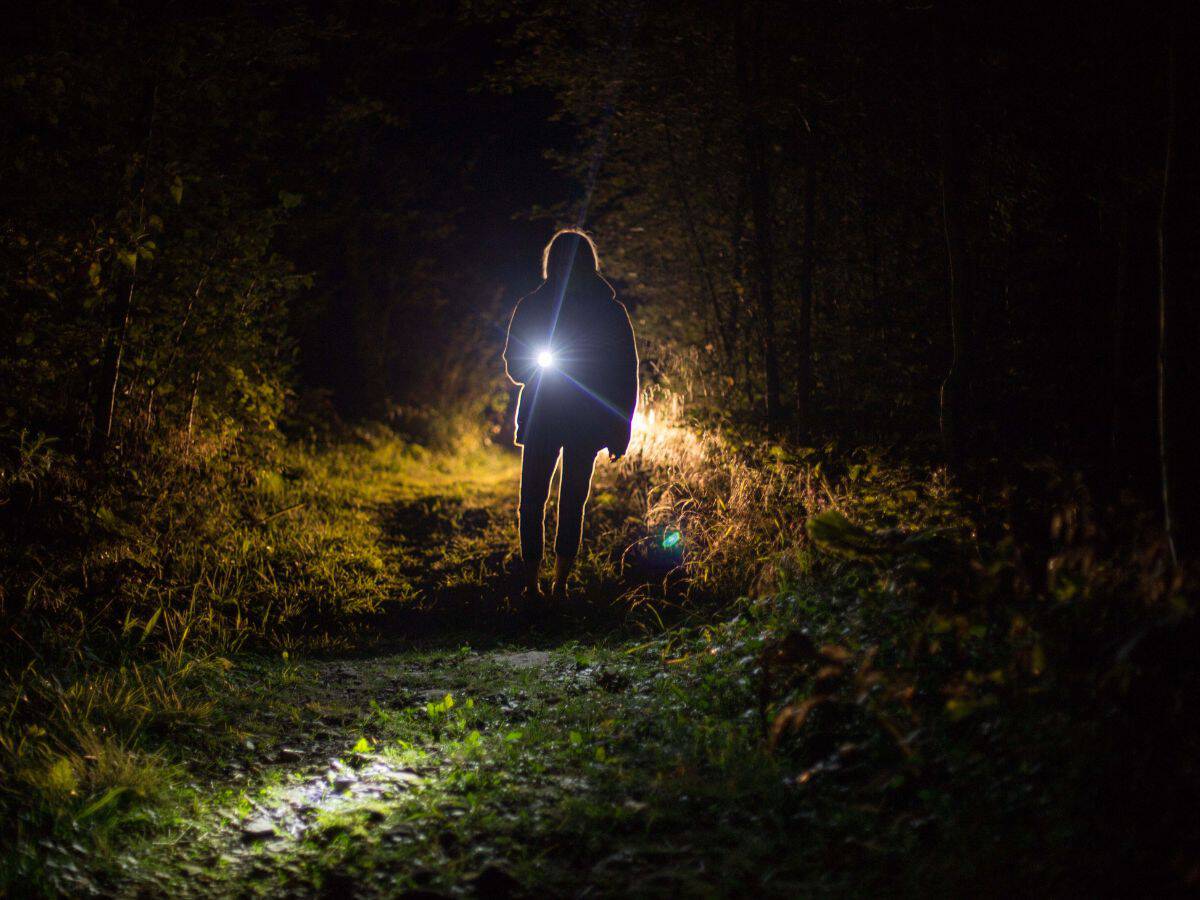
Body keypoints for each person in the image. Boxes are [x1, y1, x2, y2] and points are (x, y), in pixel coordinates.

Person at [503, 228, 639, 601]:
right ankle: (542, 586)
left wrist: (620, 429)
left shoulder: (539, 305)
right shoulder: (606, 310)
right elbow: (516, 364)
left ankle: (551, 586)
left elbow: (625, 373)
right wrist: (618, 428)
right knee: (545, 501)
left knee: (553, 501)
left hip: (561, 419)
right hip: (566, 419)